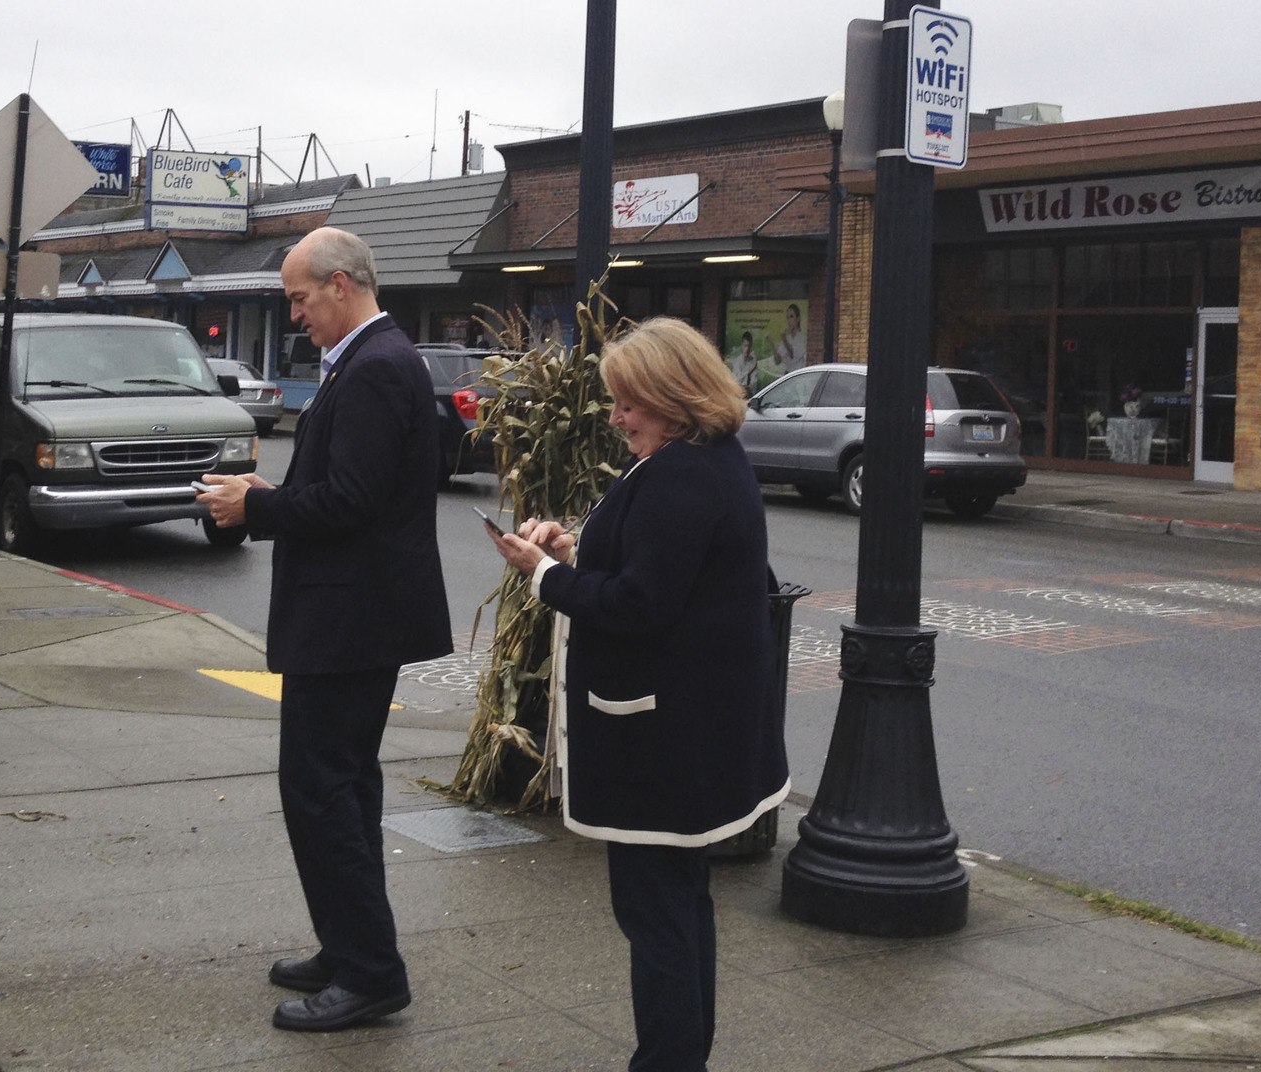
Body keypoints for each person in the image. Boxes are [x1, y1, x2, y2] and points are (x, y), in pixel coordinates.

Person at [490, 316, 789, 1072]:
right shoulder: (707, 459)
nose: (616, 416)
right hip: (690, 735)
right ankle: (682, 1055)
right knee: (680, 905)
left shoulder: (682, 474)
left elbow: (638, 605)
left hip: (662, 742)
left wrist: (544, 573)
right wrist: (576, 546)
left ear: (674, 396)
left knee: (656, 916)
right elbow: (666, 568)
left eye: (629, 402)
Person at [198, 227, 451, 1033]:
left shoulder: (377, 368)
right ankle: (350, 948)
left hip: (351, 622)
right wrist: (270, 489)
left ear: (342, 285)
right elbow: (351, 489)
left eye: (300, 299)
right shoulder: (374, 361)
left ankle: (371, 972)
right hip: (354, 618)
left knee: (323, 794)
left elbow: (351, 502)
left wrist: (257, 506)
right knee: (343, 790)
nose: (295, 316)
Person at [771, 303, 807, 376]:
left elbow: (792, 355)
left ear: (798, 319)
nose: (789, 320)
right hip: (787, 376)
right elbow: (777, 361)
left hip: (798, 375)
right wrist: (772, 344)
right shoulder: (787, 338)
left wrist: (784, 339)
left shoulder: (802, 338)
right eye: (787, 317)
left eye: (791, 316)